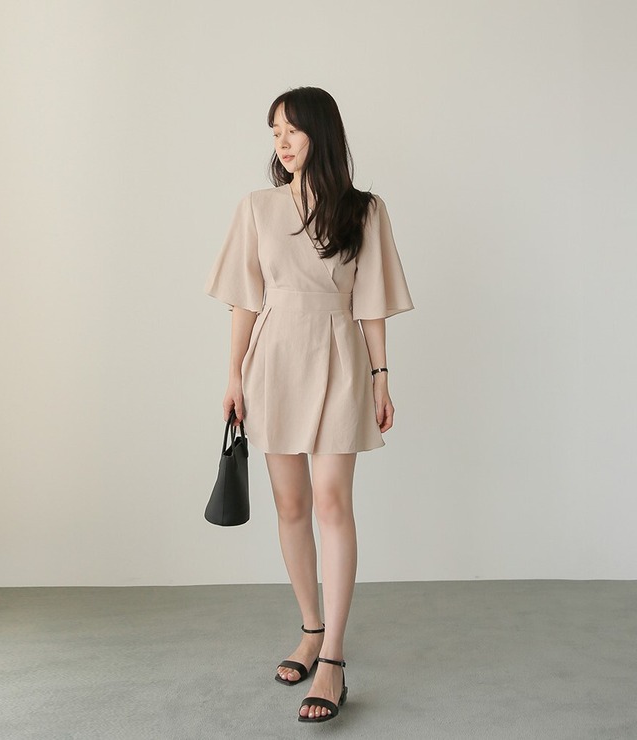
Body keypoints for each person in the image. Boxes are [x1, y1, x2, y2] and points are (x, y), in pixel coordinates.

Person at [204, 86, 414, 723]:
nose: (282, 143)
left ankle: (334, 658)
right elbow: (245, 300)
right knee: (291, 504)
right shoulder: (257, 207)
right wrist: (233, 376)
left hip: (340, 356)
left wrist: (381, 377)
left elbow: (371, 302)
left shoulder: (364, 209)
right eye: (275, 132)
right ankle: (310, 629)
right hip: (273, 360)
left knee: (331, 501)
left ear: (321, 133)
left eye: (292, 130)